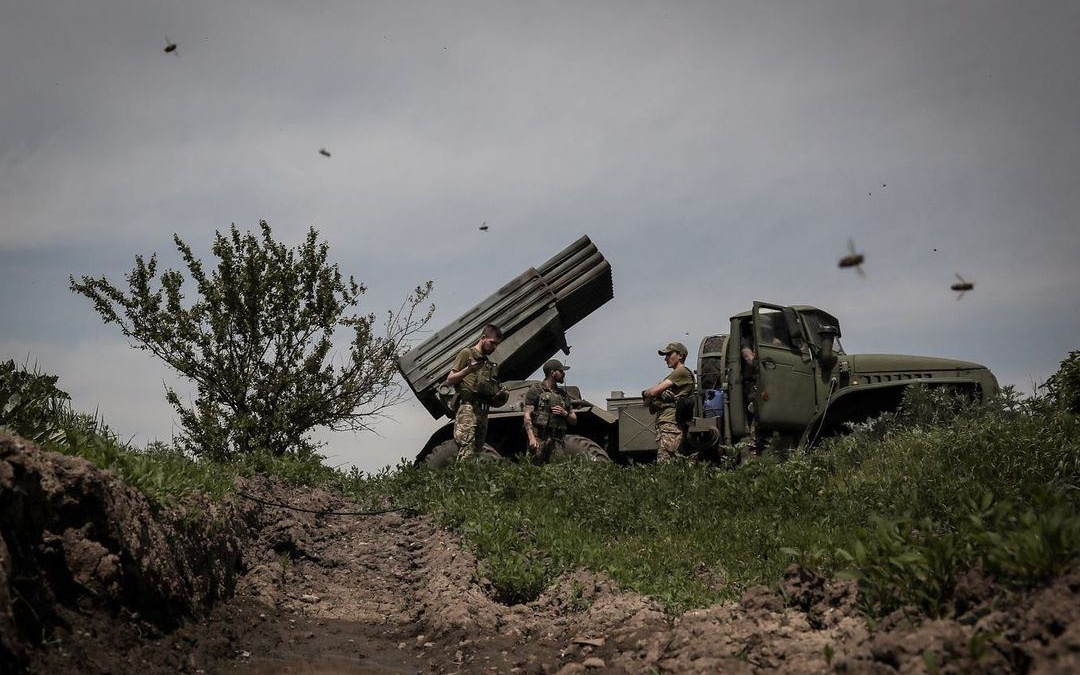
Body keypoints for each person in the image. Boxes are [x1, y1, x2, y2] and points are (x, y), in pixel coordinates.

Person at [446, 323, 503, 460]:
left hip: (482, 411)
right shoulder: (467, 353)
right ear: (483, 337)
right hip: (468, 409)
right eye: (492, 343)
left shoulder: (487, 363)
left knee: (477, 453)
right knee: (466, 452)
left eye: (497, 345)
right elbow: (450, 379)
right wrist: (468, 370)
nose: (494, 347)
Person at [641, 341, 696, 463]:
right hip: (666, 423)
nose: (666, 359)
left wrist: (646, 392)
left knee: (666, 465)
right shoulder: (672, 377)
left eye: (669, 354)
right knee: (671, 462)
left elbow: (651, 393)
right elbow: (647, 403)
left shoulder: (681, 372)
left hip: (671, 423)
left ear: (680, 356)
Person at [523, 359, 578, 464]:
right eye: (561, 371)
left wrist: (565, 413)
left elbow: (574, 419)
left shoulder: (563, 395)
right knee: (534, 470)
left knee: (558, 473)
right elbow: (527, 415)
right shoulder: (536, 390)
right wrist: (531, 438)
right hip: (539, 438)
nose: (563, 374)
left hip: (557, 441)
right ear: (552, 373)